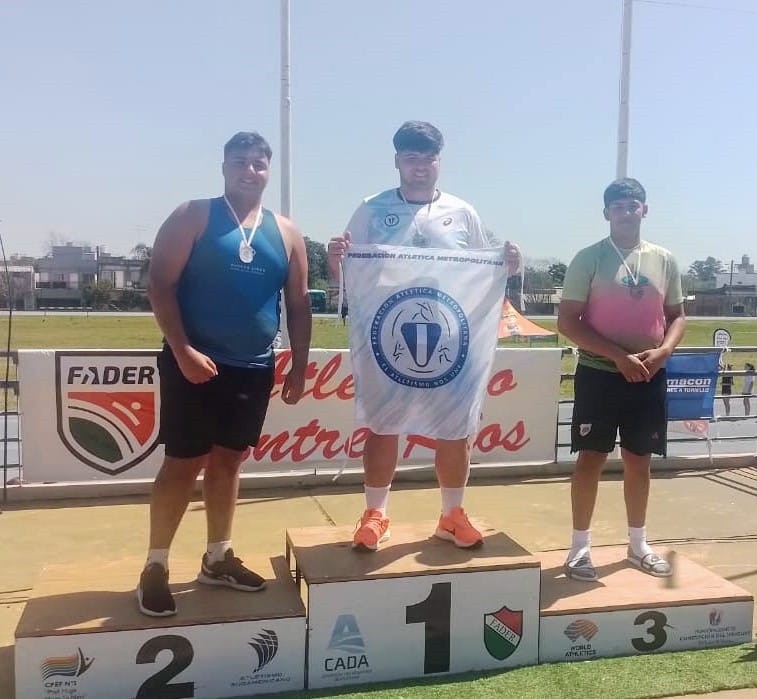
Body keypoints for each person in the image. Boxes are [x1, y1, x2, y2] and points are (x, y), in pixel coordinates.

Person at [137, 131, 312, 616]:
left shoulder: (288, 232)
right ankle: (154, 565)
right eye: (239, 162)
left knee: (230, 462)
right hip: (195, 363)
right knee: (183, 461)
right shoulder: (193, 215)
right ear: (223, 167)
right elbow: (159, 286)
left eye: (258, 164)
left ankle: (217, 557)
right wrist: (183, 349)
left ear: (268, 170)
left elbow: (297, 303)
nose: (248, 171)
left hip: (254, 367)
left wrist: (299, 364)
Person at [327, 121, 521, 552]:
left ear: (439, 161)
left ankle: (451, 515)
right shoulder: (371, 209)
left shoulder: (463, 212)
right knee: (382, 426)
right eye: (411, 158)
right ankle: (375, 512)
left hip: (451, 337)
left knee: (455, 428)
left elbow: (485, 271)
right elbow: (343, 273)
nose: (420, 167)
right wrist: (334, 258)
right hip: (386, 337)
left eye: (428, 158)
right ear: (397, 161)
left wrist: (509, 264)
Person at [557, 178, 685, 581]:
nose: (626, 212)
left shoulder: (663, 259)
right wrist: (618, 356)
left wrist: (663, 352)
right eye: (618, 206)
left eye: (633, 205)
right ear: (606, 213)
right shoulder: (589, 258)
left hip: (648, 375)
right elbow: (568, 322)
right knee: (591, 458)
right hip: (600, 374)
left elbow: (678, 316)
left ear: (645, 210)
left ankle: (637, 545)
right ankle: (579, 549)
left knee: (639, 460)